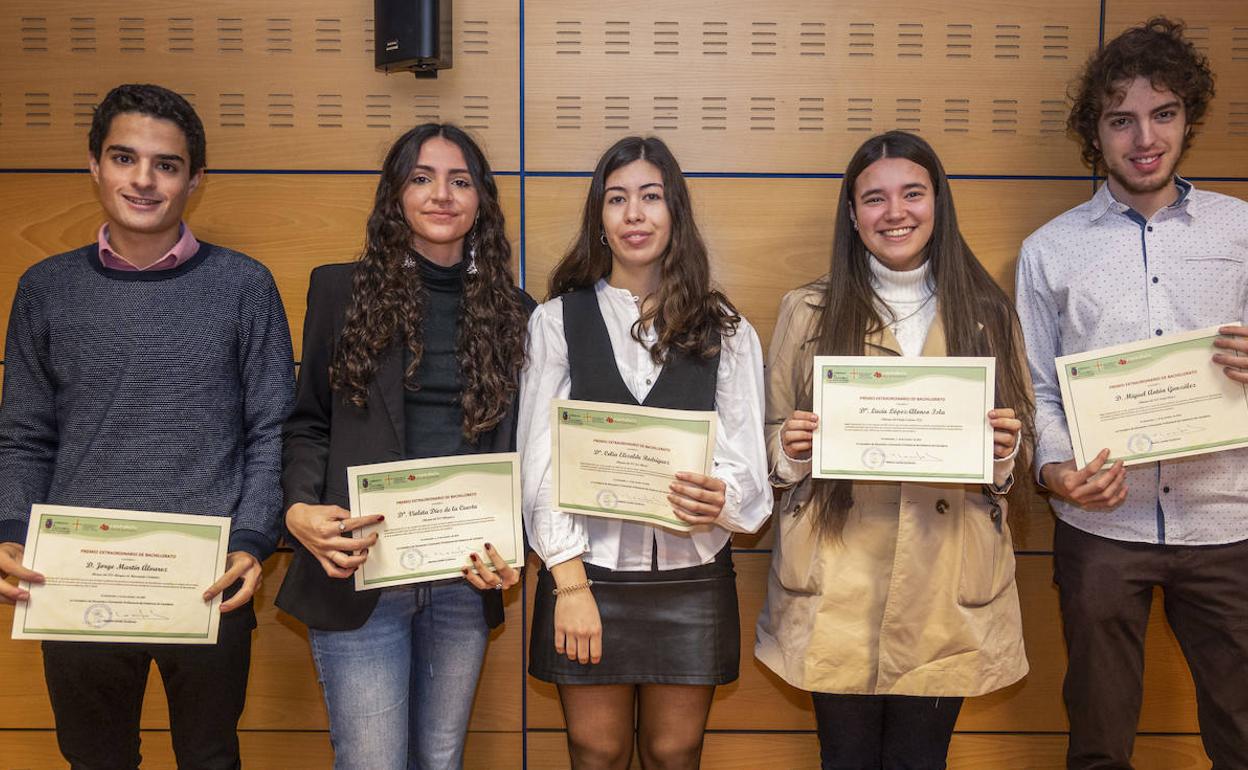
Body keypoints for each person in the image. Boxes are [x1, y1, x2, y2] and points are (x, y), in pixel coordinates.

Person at [0, 83, 294, 769]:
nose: (143, 179)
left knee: (210, 757)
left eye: (166, 164)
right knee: (94, 760)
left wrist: (252, 542)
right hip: (75, 575)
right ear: (94, 167)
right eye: (124, 157)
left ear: (195, 179)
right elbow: (23, 434)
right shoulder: (45, 288)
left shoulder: (245, 285)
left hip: (209, 577)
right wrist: (12, 530)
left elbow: (270, 430)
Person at [754, 130, 1033, 770]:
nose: (895, 212)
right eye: (874, 199)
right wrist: (793, 447)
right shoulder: (806, 310)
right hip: (835, 576)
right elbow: (766, 442)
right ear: (853, 214)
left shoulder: (988, 310)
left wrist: (1000, 451)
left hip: (947, 582)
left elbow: (1011, 470)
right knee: (845, 759)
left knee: (919, 761)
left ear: (938, 203)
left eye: (912, 193)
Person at [1015, 17, 1248, 768]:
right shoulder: (1049, 250)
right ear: (1097, 131)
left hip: (1228, 526)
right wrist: (1054, 475)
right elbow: (1038, 392)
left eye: (1164, 112)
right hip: (1101, 534)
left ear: (1189, 118)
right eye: (1122, 119)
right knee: (1098, 745)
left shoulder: (1243, 231)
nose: (1144, 137)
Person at [275, 122, 531, 770]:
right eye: (421, 178)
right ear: (395, 195)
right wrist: (300, 509)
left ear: (482, 201)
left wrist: (515, 543)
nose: (441, 194)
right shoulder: (340, 292)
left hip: (462, 579)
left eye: (460, 180)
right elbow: (309, 422)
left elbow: (524, 450)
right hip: (359, 574)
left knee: (441, 760)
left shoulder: (516, 311)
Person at [519, 135, 769, 769]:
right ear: (599, 220)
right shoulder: (555, 322)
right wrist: (568, 583)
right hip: (586, 575)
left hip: (692, 576)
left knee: (674, 752)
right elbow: (538, 463)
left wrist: (723, 499)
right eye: (617, 199)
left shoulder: (728, 330)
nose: (634, 215)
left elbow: (749, 477)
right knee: (595, 752)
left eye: (651, 197)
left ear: (674, 213)